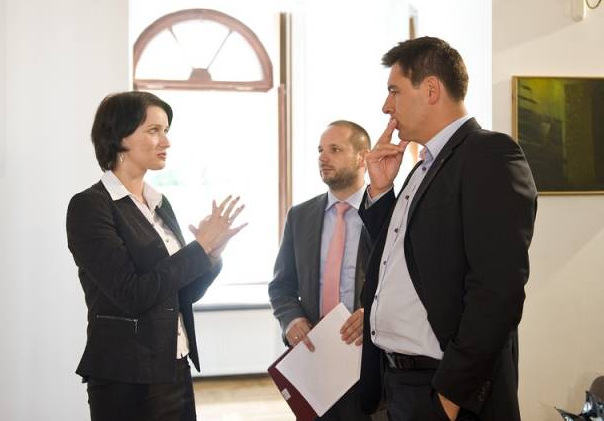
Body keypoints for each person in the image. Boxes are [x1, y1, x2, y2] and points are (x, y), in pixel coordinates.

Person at [358, 37, 538, 421]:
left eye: (394, 91)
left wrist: (449, 398)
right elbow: (403, 258)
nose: (386, 106)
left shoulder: (488, 154)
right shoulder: (422, 166)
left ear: (431, 89)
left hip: (444, 389)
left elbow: (497, 292)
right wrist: (382, 191)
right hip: (398, 382)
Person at [66, 91, 246, 421]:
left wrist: (211, 255)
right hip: (125, 376)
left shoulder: (160, 203)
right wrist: (198, 249)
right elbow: (132, 294)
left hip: (174, 366)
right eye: (153, 131)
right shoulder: (90, 206)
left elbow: (182, 294)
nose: (166, 141)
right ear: (119, 136)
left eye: (166, 130)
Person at [269, 120, 375, 420]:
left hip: (368, 361)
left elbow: (404, 287)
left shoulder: (386, 214)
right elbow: (281, 286)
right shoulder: (300, 216)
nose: (323, 158)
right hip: (315, 360)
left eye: (335, 150)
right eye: (320, 150)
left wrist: (373, 314)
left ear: (363, 158)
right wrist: (291, 320)